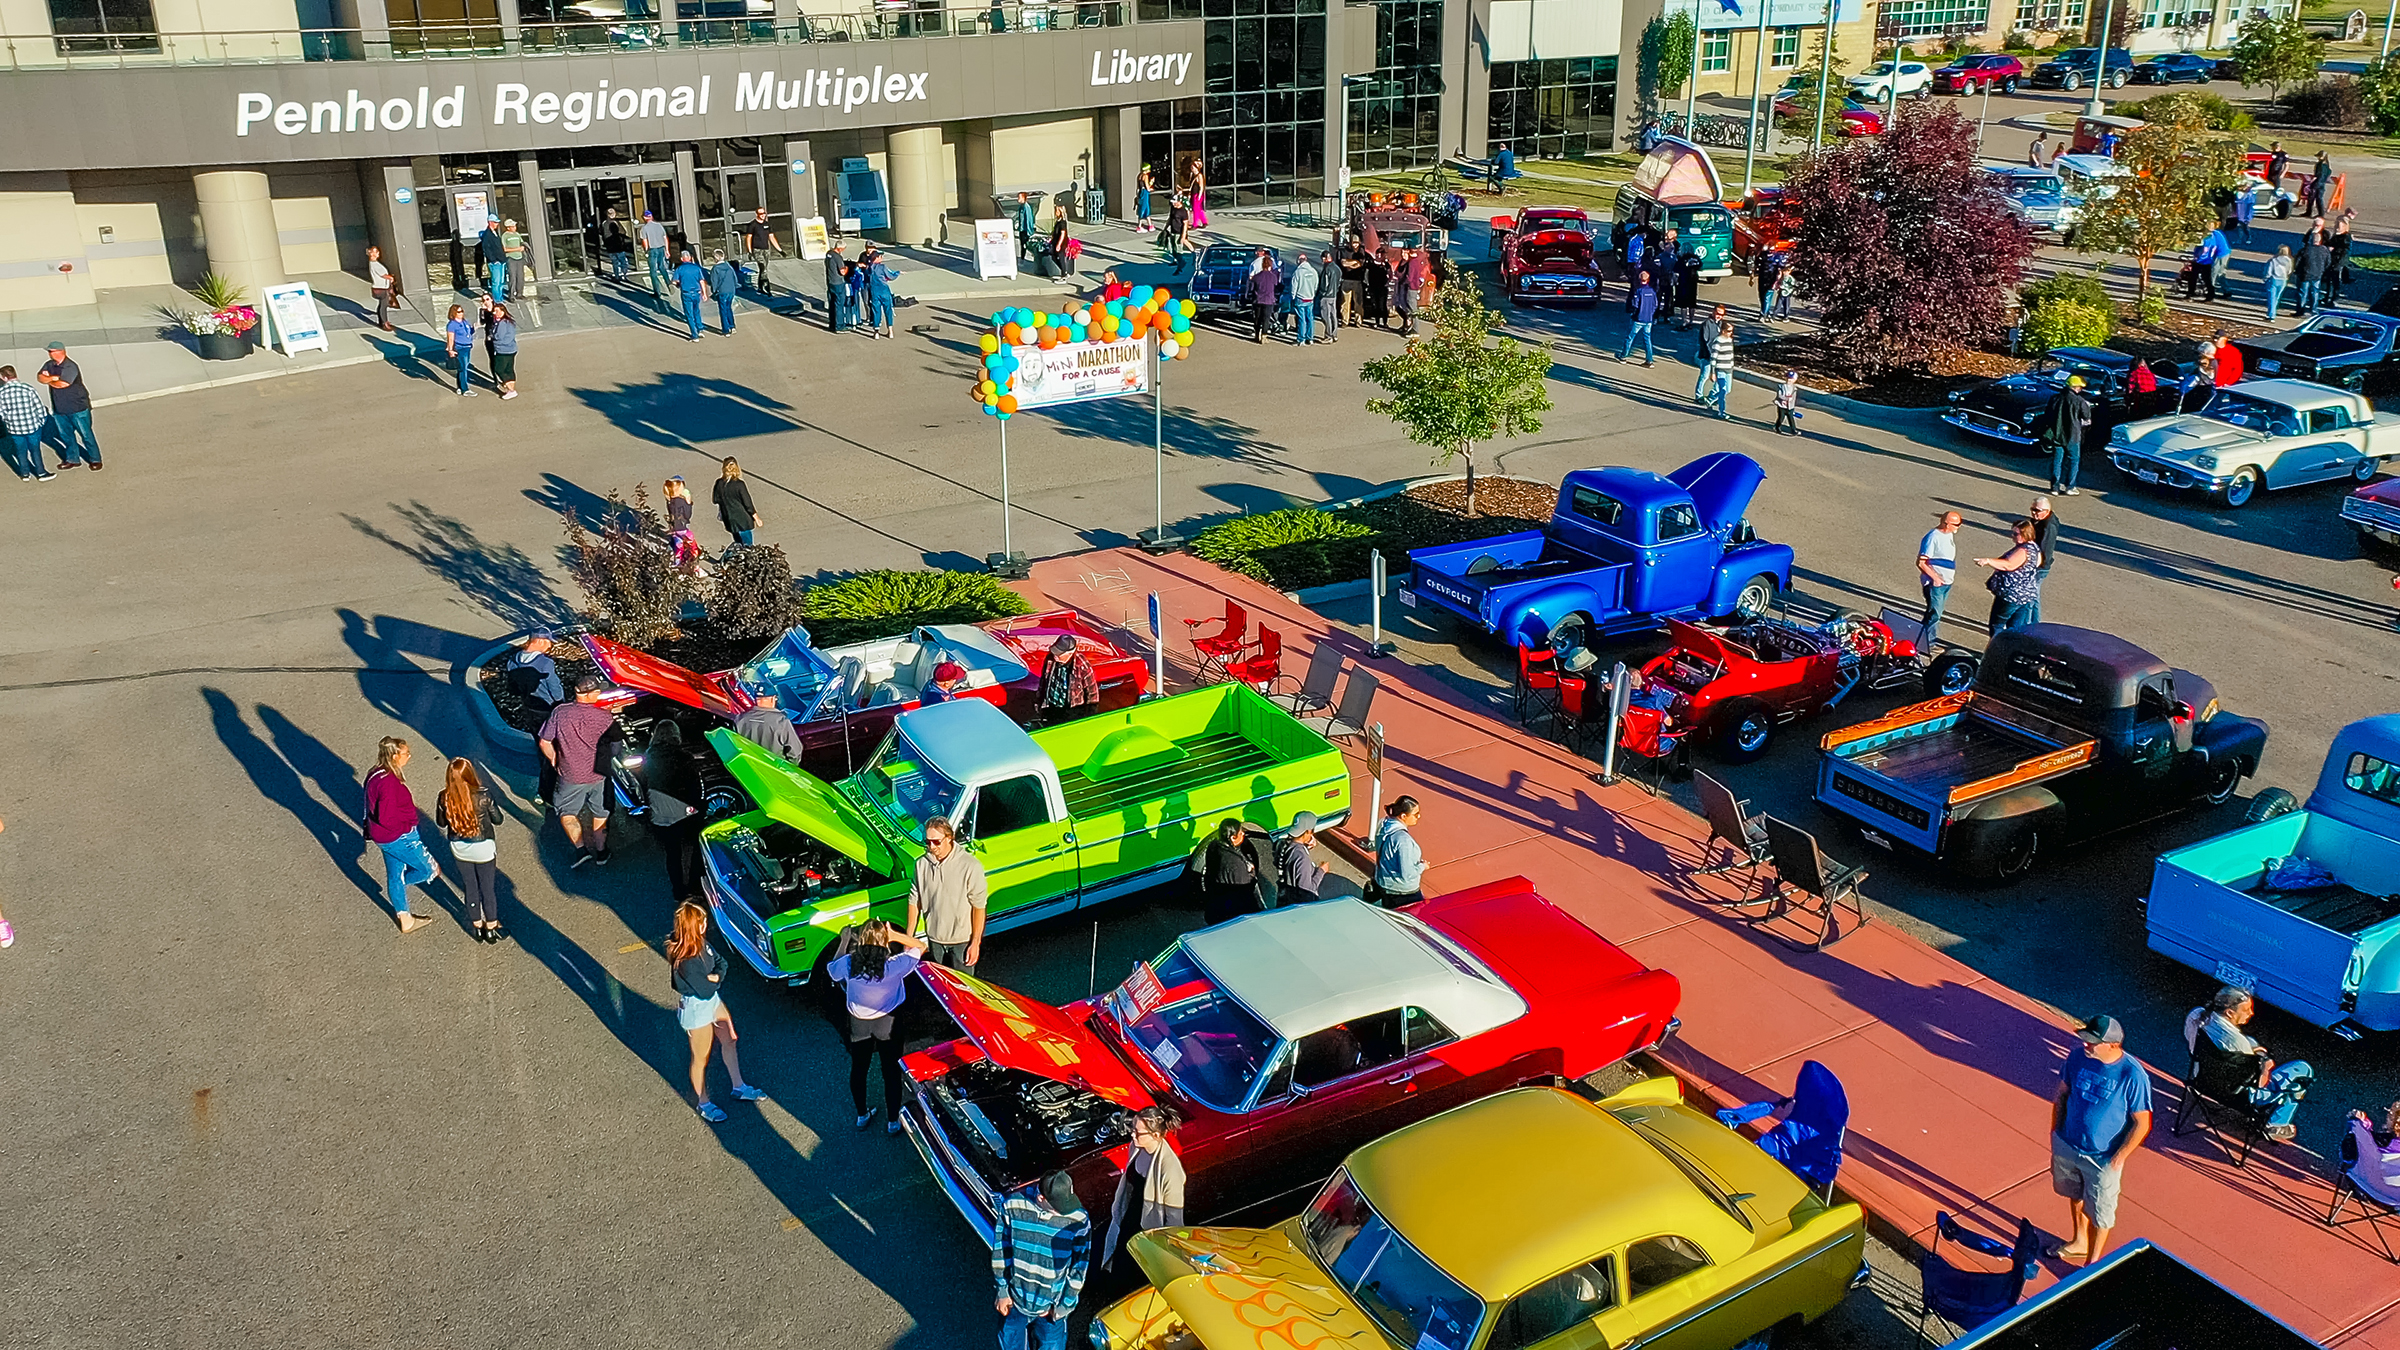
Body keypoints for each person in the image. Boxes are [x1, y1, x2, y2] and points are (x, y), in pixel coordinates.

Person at [2051, 1014, 2152, 1265]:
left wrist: (2118, 1159)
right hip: (2068, 1143)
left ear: (2113, 1045)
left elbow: (2142, 1122)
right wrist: (2055, 1132)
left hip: (2102, 1157)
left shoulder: (2133, 1075)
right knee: (2074, 1193)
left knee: (2100, 1213)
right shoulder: (2076, 1058)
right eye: (2085, 1039)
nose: (2086, 1045)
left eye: (2092, 1042)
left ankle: (2092, 1263)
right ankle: (2079, 1241)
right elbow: (2062, 1094)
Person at [667, 900, 767, 1123]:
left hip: (712, 1001)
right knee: (700, 1058)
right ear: (694, 925)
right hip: (698, 1008)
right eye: (702, 921)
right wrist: (714, 979)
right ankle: (704, 1103)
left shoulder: (701, 943)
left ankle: (739, 1086)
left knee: (729, 1039)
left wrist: (715, 977)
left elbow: (722, 964)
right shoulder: (686, 960)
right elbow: (704, 990)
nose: (706, 924)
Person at [826, 919, 928, 1134]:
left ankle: (862, 1115)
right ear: (884, 942)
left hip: (858, 1023)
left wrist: (844, 941)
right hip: (888, 1021)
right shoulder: (894, 965)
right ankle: (893, 1121)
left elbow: (832, 970)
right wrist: (895, 935)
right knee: (890, 1071)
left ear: (861, 940)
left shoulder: (849, 963)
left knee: (859, 1069)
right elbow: (921, 947)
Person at [2182, 986, 2312, 1142]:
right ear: (2230, 1013)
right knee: (2302, 1071)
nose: (2251, 1013)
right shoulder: (2238, 1043)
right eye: (2246, 1010)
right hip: (2237, 1094)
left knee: (2251, 1042)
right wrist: (2266, 1067)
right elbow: (2261, 1084)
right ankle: (2276, 1124)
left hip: (2201, 1078)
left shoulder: (2196, 1015)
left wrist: (2253, 1050)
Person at [994, 1170, 1092, 1350]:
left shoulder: (1079, 1219)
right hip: (1015, 1301)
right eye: (1058, 1206)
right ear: (1041, 1198)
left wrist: (1064, 1306)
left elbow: (1079, 1268)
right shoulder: (1013, 1206)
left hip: (1051, 1308)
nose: (1065, 1211)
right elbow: (1002, 1249)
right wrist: (1002, 1290)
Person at [538, 675, 617, 868]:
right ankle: (601, 852)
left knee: (566, 811)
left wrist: (554, 758)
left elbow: (544, 741)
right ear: (590, 694)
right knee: (600, 811)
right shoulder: (605, 717)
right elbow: (615, 747)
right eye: (598, 690)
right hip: (598, 774)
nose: (600, 693)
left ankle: (581, 849)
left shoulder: (560, 713)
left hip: (570, 775)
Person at [363, 736, 438, 934]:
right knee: (430, 870)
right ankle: (400, 886)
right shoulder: (389, 783)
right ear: (395, 755)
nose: (409, 756)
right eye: (406, 753)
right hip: (400, 836)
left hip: (382, 837)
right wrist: (408, 825)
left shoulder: (375, 773)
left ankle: (405, 918)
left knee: (395, 875)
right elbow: (387, 817)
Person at [1102, 1105, 1186, 1268]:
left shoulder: (1170, 1171)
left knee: (1133, 1267)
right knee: (1119, 1256)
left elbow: (1174, 1217)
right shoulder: (1136, 1147)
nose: (1132, 1134)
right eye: (1132, 1128)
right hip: (1129, 1214)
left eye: (1138, 1132)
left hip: (1147, 1228)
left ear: (1155, 1135)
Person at [437, 757, 505, 943]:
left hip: (459, 848)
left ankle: (477, 926)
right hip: (483, 847)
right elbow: (498, 820)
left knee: (471, 887)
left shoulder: (444, 797)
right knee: (487, 888)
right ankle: (491, 927)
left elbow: (441, 823)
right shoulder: (483, 795)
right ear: (470, 774)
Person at [644, 719, 708, 900]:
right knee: (697, 846)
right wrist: (700, 808)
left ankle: (678, 890)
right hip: (683, 811)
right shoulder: (684, 758)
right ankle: (695, 886)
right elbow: (694, 788)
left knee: (673, 854)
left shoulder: (650, 755)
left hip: (660, 811)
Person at [1199, 818, 1277, 925]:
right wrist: (1250, 873)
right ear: (1232, 838)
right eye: (1240, 832)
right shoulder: (1235, 864)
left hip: (1215, 906)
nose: (1243, 834)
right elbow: (1245, 891)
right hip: (1231, 915)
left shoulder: (1214, 846)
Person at [38, 342, 101, 469]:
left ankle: (95, 459)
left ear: (60, 351)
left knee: (86, 435)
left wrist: (49, 379)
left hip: (78, 408)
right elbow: (40, 378)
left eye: (51, 351)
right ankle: (72, 459)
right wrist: (54, 378)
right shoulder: (49, 364)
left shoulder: (70, 366)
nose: (49, 354)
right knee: (66, 436)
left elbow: (63, 384)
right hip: (60, 409)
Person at [1975, 519, 2044, 634]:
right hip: (2025, 596)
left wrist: (1988, 561)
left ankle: (1997, 650)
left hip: (2011, 596)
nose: (2012, 536)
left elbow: (2009, 565)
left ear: (2025, 534)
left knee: (1997, 625)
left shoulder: (2023, 550)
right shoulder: (2035, 549)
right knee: (2016, 629)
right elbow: (2037, 564)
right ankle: (2012, 650)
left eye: (2016, 534)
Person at [0, 365, 54, 482]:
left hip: (14, 428)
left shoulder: (1, 392)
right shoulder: (28, 389)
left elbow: (1, 412)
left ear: (4, 377)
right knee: (35, 449)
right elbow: (39, 408)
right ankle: (41, 472)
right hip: (32, 426)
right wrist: (41, 421)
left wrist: (8, 421)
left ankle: (24, 473)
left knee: (20, 450)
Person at [1370, 796, 1425, 906]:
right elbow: (1407, 874)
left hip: (1383, 884)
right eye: (1415, 814)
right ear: (1403, 816)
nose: (1418, 816)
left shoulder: (1383, 824)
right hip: (1403, 893)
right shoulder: (1403, 841)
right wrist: (1423, 866)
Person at [2043, 374, 2093, 495]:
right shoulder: (2080, 401)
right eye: (2080, 387)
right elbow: (2086, 417)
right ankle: (2070, 487)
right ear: (2075, 387)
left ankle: (2054, 487)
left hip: (2056, 434)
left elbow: (2048, 415)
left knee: (2057, 461)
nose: (2081, 389)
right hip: (2073, 435)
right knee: (2073, 460)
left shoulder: (2055, 398)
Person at [2344, 1103, 2400, 1210]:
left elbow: (2364, 1137)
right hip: (2397, 1198)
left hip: (2366, 1185)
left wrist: (2362, 1122)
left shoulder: (2382, 1141)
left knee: (2354, 1138)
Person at [1918, 511, 1961, 649]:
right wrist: (1935, 578)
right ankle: (1927, 643)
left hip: (1946, 583)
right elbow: (1921, 562)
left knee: (1934, 613)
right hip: (1935, 584)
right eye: (1956, 524)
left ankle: (1920, 639)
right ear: (1946, 523)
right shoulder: (1933, 537)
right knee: (1934, 614)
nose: (1958, 527)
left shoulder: (1948, 535)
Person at [1037, 633, 1099, 724]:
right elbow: (1043, 682)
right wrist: (1038, 702)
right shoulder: (1050, 659)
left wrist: (1090, 717)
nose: (1055, 656)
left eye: (1059, 654)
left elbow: (1092, 693)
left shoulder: (1081, 665)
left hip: (1072, 712)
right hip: (1051, 708)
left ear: (1070, 653)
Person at [732, 690, 805, 764]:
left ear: (756, 700)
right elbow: (795, 751)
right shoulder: (781, 721)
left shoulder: (740, 719)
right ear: (773, 698)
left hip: (750, 767)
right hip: (774, 769)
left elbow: (735, 745)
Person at [1276, 812, 1326, 903]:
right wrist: (1321, 871)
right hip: (1299, 905)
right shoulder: (1302, 859)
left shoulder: (1283, 845)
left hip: (1285, 898)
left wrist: (1305, 847)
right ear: (1308, 831)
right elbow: (1307, 889)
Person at [2029, 497, 2061, 625]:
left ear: (2047, 511)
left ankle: (2034, 624)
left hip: (2039, 567)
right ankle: (2032, 623)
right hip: (2037, 565)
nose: (2034, 513)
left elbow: (2044, 551)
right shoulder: (2040, 521)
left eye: (2037, 510)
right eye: (2032, 509)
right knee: (2032, 595)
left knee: (2032, 596)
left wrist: (2033, 566)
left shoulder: (2048, 527)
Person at [714, 456, 760, 545]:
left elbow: (715, 499)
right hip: (743, 520)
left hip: (730, 520)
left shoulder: (719, 483)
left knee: (738, 545)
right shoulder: (739, 484)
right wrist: (757, 518)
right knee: (748, 546)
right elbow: (748, 504)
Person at [738, 206, 780, 297]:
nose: (763, 215)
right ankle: (766, 288)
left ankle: (760, 287)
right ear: (757, 214)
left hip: (766, 250)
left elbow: (771, 237)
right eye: (761, 214)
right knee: (763, 267)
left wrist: (779, 250)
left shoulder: (767, 224)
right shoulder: (753, 225)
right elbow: (748, 238)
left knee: (763, 269)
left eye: (764, 213)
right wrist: (749, 251)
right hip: (757, 250)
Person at [1620, 270, 1660, 366]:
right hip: (1648, 319)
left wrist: (1634, 314)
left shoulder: (1639, 291)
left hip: (1638, 319)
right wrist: (1650, 313)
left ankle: (1623, 356)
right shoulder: (1652, 291)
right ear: (1648, 279)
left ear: (1639, 280)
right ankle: (1649, 360)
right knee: (1647, 339)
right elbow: (1655, 305)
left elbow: (1635, 305)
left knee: (1630, 337)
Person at [484, 301, 520, 400]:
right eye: (494, 311)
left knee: (499, 369)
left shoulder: (502, 323)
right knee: (509, 369)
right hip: (512, 349)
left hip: (503, 350)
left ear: (503, 311)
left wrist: (492, 336)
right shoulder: (509, 321)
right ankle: (510, 389)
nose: (495, 313)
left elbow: (499, 336)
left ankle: (511, 390)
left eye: (497, 311)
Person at [1704, 321, 1737, 420]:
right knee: (1723, 390)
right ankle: (1721, 412)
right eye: (1728, 331)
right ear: (1723, 331)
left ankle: (1711, 399)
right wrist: (1712, 372)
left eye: (1732, 331)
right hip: (1720, 369)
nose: (1731, 333)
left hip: (1729, 369)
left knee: (1728, 389)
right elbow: (1713, 358)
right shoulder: (1718, 341)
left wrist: (1732, 366)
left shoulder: (1729, 340)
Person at [443, 304, 477, 397]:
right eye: (459, 312)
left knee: (461, 368)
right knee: (463, 368)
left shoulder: (465, 321)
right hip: (460, 348)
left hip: (467, 346)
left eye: (462, 311)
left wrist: (474, 328)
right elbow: (450, 338)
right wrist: (450, 349)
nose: (461, 313)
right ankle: (464, 389)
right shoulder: (452, 324)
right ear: (453, 313)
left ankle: (459, 387)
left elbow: (468, 332)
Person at [663, 476, 698, 566]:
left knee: (678, 546)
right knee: (691, 545)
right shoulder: (681, 501)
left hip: (674, 527)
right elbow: (687, 515)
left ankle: (676, 563)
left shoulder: (670, 500)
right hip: (683, 528)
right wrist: (688, 503)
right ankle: (693, 563)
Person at [673, 249, 707, 341]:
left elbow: (675, 281)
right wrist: (704, 293)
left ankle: (694, 335)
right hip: (697, 293)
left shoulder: (679, 269)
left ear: (681, 259)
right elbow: (702, 281)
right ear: (690, 258)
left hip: (686, 293)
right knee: (696, 311)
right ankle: (700, 329)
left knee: (689, 314)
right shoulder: (696, 268)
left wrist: (678, 285)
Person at [865, 249, 899, 339]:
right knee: (888, 310)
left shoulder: (869, 268)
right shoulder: (882, 267)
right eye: (880, 256)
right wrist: (897, 273)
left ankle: (876, 332)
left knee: (876, 311)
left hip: (874, 291)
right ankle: (890, 330)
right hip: (884, 290)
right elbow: (890, 276)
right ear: (876, 258)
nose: (882, 258)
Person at [707, 250, 740, 336]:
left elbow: (714, 282)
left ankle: (726, 329)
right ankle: (732, 326)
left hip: (721, 291)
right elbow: (734, 278)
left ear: (715, 258)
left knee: (723, 310)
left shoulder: (715, 269)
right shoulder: (729, 266)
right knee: (729, 308)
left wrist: (713, 291)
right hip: (731, 290)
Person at [2191, 227, 2229, 303]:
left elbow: (2209, 248)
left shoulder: (2211, 236)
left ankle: (2218, 291)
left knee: (2215, 273)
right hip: (2221, 252)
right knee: (2217, 272)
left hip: (2221, 254)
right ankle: (2218, 290)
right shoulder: (2216, 232)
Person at [2299, 232, 2332, 314]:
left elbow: (2299, 262)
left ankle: (2301, 310)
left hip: (2305, 274)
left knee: (2303, 293)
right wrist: (2322, 270)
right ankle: (2313, 309)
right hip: (2317, 274)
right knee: (2315, 292)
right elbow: (2328, 262)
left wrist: (2298, 271)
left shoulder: (2306, 249)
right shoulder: (2324, 250)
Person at [1247, 250, 1277, 343]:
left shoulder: (1257, 276)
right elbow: (1276, 286)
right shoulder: (1273, 277)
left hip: (1258, 299)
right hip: (1268, 300)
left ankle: (1257, 334)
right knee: (1266, 318)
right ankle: (1264, 335)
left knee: (1257, 318)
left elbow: (1252, 287)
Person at [1290, 253, 1320, 345]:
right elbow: (1316, 285)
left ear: (1299, 261)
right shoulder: (1313, 271)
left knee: (1301, 319)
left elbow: (1294, 286)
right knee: (1310, 318)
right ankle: (1310, 338)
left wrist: (1293, 296)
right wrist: (1313, 294)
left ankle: (1301, 339)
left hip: (1300, 298)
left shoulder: (1298, 272)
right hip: (1310, 298)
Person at [639, 210, 670, 295]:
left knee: (653, 271)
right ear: (651, 216)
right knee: (662, 267)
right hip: (661, 248)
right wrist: (667, 250)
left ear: (645, 218)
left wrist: (646, 251)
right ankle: (669, 284)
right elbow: (665, 238)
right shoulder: (659, 225)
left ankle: (657, 292)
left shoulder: (644, 228)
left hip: (652, 250)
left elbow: (645, 241)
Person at [367, 245, 396, 333]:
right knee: (383, 306)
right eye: (374, 252)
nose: (376, 253)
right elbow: (382, 275)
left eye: (377, 251)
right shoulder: (375, 264)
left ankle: (382, 321)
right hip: (381, 288)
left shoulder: (374, 263)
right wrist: (390, 278)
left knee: (381, 305)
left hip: (380, 287)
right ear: (370, 253)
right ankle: (384, 323)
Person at [477, 217, 507, 302]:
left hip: (501, 260)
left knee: (501, 281)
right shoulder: (487, 234)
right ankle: (497, 300)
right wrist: (494, 260)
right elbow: (486, 249)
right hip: (495, 263)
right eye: (495, 222)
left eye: (497, 222)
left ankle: (500, 297)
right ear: (490, 222)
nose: (497, 224)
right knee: (496, 282)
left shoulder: (495, 233)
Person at [601, 208, 635, 282]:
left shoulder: (604, 223)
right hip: (618, 246)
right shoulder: (616, 223)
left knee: (615, 262)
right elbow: (623, 232)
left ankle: (617, 276)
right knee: (623, 261)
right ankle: (623, 275)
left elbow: (602, 233)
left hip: (610, 247)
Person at [501, 217, 530, 304]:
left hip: (519, 258)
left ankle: (519, 293)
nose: (514, 227)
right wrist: (517, 249)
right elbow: (505, 249)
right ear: (508, 227)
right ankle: (511, 295)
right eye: (512, 226)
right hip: (511, 258)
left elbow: (522, 243)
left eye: (515, 226)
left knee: (520, 276)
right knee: (512, 277)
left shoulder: (517, 234)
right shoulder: (505, 236)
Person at [1315, 249, 1340, 344]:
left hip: (1326, 295)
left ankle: (1328, 335)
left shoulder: (1327, 269)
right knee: (1333, 315)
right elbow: (1338, 281)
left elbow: (1324, 284)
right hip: (1333, 295)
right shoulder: (1337, 268)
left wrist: (1321, 293)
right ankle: (1334, 334)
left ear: (1325, 258)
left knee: (1326, 316)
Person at [823, 242, 849, 334]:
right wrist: (847, 268)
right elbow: (842, 272)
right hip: (838, 283)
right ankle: (839, 326)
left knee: (832, 304)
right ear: (840, 249)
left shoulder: (828, 254)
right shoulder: (838, 257)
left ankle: (832, 325)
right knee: (839, 304)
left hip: (830, 282)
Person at [2264, 245, 2292, 321]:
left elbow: (2269, 271)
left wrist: (2266, 278)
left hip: (2274, 279)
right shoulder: (2289, 260)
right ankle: (2272, 313)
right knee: (2277, 298)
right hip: (2283, 280)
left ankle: (2271, 315)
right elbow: (2289, 271)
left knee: (2271, 298)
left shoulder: (2273, 260)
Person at [1772, 369, 1802, 436]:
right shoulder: (1781, 386)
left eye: (1791, 379)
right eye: (1788, 378)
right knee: (1781, 418)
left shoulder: (1794, 389)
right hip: (1781, 406)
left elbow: (1793, 398)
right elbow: (1779, 395)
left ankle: (1793, 430)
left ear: (1794, 380)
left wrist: (1791, 402)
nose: (1789, 380)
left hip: (1790, 407)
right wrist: (1780, 399)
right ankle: (1777, 427)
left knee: (1791, 419)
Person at [2309, 149, 2333, 217]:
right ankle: (2321, 213)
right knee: (2319, 198)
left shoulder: (2320, 164)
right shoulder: (2327, 165)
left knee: (2311, 197)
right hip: (2322, 183)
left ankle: (2309, 212)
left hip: (2317, 182)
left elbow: (2318, 174)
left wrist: (2313, 179)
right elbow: (2329, 172)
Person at [1135, 164, 1155, 233]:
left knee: (1142, 209)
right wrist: (1152, 182)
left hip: (1141, 193)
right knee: (1146, 209)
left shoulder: (1139, 176)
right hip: (1145, 193)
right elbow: (1148, 187)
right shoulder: (1145, 176)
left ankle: (1148, 225)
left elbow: (1138, 187)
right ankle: (1143, 226)